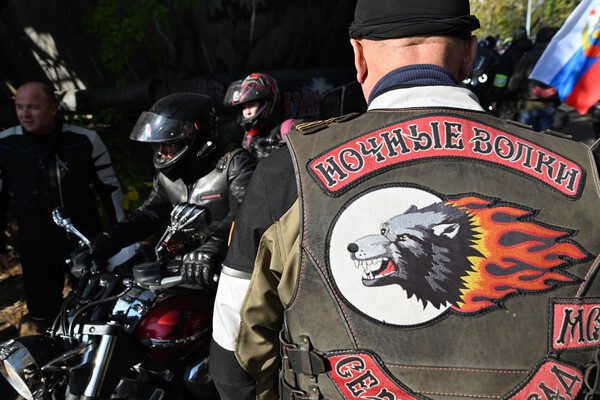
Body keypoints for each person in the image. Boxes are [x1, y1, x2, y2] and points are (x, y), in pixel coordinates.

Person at [209, 1, 600, 400]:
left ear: (359, 56)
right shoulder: (589, 171)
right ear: (470, 55)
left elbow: (234, 356)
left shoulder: (287, 172)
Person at [74, 93, 256, 291]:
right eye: (158, 144)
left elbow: (246, 213)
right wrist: (106, 241)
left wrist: (215, 245)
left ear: (196, 137)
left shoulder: (235, 163)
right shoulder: (169, 174)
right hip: (181, 273)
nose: (161, 151)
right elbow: (149, 214)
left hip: (231, 274)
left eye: (170, 143)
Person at [0, 81, 125, 329]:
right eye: (19, 107)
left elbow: (110, 188)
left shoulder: (85, 139)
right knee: (43, 316)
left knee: (96, 310)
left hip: (84, 241)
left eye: (33, 107)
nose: (25, 114)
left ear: (53, 108)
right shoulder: (5, 144)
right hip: (35, 247)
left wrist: (122, 236)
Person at [223, 73, 299, 160]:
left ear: (267, 101)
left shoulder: (288, 128)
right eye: (243, 108)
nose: (247, 112)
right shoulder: (249, 135)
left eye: (251, 105)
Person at [507, 27, 560, 131]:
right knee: (544, 140)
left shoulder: (528, 57)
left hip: (527, 106)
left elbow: (513, 84)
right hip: (549, 106)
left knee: (524, 139)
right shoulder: (559, 59)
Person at [489, 26, 533, 117]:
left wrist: (495, 97)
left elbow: (501, 78)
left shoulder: (510, 52)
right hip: (530, 97)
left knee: (507, 124)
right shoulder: (533, 50)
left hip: (510, 98)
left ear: (514, 37)